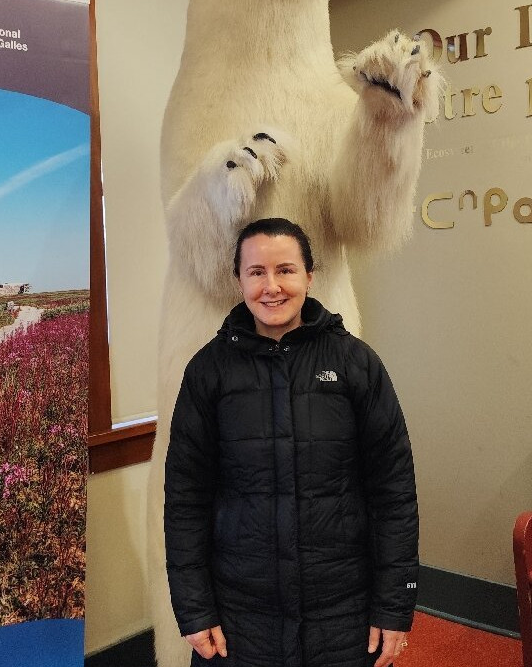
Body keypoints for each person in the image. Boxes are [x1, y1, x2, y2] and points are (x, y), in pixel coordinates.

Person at [164, 218, 419, 667]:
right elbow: (186, 499)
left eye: (285, 270)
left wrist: (394, 605)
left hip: (343, 614)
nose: (271, 286)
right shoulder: (208, 372)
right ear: (239, 280)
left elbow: (393, 494)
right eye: (256, 272)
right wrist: (193, 607)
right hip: (240, 618)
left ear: (309, 277)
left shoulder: (356, 364)